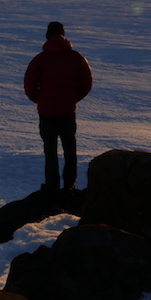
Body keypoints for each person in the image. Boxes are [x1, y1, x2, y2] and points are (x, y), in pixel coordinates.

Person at [23, 21, 93, 192]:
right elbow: (86, 82)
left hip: (47, 112)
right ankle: (69, 185)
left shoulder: (40, 60)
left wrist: (41, 100)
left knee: (50, 151)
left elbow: (29, 85)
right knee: (70, 148)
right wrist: (72, 98)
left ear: (48, 35)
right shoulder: (76, 57)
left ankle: (52, 186)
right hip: (67, 111)